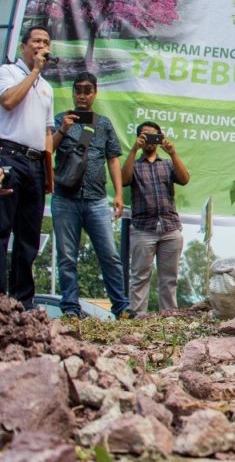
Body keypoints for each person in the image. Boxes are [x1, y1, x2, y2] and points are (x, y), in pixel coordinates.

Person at [51, 72, 128, 318]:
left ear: (95, 93)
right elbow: (47, 149)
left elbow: (113, 159)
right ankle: (70, 308)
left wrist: (118, 194)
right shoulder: (59, 119)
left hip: (96, 199)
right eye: (78, 90)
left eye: (87, 90)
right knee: (66, 257)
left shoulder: (104, 123)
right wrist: (63, 129)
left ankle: (121, 307)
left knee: (110, 256)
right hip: (65, 198)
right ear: (73, 93)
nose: (82, 95)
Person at [0, 26, 54, 310]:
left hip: (35, 164)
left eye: (46, 41)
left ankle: (22, 301)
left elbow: (47, 132)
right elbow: (8, 101)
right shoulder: (8, 72)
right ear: (24, 47)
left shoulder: (47, 87)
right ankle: (0, 298)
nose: (41, 45)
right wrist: (34, 71)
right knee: (2, 228)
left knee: (29, 235)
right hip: (7, 156)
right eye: (36, 41)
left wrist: (49, 174)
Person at [122, 121, 189, 314]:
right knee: (139, 277)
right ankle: (138, 318)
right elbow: (124, 179)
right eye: (145, 136)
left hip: (170, 228)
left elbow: (184, 179)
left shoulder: (167, 164)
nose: (149, 140)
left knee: (169, 278)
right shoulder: (134, 165)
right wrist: (133, 150)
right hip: (143, 228)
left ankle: (169, 317)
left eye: (153, 135)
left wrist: (173, 153)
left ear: (160, 139)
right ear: (139, 139)